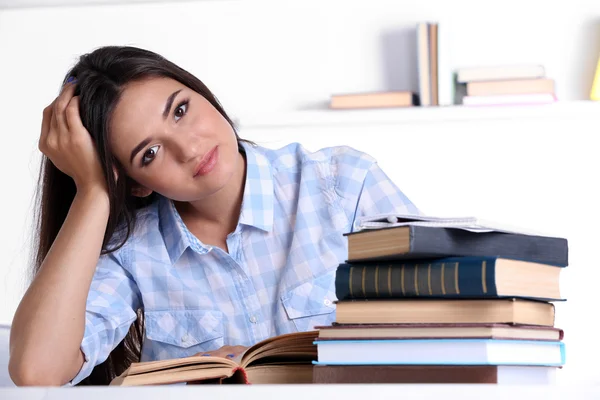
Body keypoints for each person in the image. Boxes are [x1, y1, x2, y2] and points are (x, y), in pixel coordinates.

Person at [8, 46, 420, 386]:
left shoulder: (343, 184)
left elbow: (447, 326)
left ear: (200, 92)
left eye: (181, 110)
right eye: (149, 154)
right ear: (135, 183)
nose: (188, 149)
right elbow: (36, 371)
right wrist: (94, 191)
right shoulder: (134, 251)